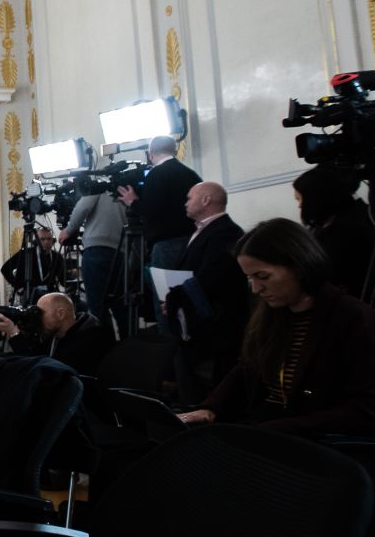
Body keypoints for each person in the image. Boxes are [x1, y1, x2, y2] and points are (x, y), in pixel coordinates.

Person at [178, 218, 375, 438]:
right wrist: (210, 408)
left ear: (299, 266)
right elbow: (248, 369)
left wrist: (272, 430)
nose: (255, 288)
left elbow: (371, 412)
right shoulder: (273, 314)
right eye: (250, 278)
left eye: (262, 276)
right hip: (272, 434)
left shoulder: (353, 318)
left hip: (318, 447)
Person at [165, 181, 249, 401]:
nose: (185, 203)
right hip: (194, 321)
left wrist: (177, 298)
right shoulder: (202, 231)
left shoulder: (226, 231)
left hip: (214, 327)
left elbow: (212, 277)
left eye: (189, 198)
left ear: (206, 200)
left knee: (206, 388)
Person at [292, 166, 375, 298]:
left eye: (300, 199)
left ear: (316, 198)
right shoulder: (337, 221)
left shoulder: (346, 231)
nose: (299, 205)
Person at [119, 135, 202, 268]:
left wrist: (133, 202)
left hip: (167, 244)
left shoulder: (156, 174)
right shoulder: (191, 174)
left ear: (150, 154)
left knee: (167, 287)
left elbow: (152, 211)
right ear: (174, 151)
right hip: (193, 241)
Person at [0, 292, 115, 376]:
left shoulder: (91, 337)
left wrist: (13, 332)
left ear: (61, 313)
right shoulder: (56, 334)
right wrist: (15, 331)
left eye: (41, 313)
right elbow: (35, 356)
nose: (38, 318)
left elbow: (46, 369)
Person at [62, 187, 128, 336]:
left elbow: (83, 206)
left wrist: (68, 230)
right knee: (121, 306)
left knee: (97, 306)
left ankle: (104, 349)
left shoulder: (99, 185)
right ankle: (129, 348)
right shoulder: (124, 188)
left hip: (97, 251)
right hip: (121, 252)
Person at [1, 223, 64, 297]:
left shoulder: (56, 256)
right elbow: (5, 269)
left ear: (53, 241)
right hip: (30, 295)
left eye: (49, 239)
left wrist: (71, 274)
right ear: (36, 241)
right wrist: (18, 286)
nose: (46, 242)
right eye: (42, 239)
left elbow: (63, 280)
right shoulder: (27, 253)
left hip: (50, 295)